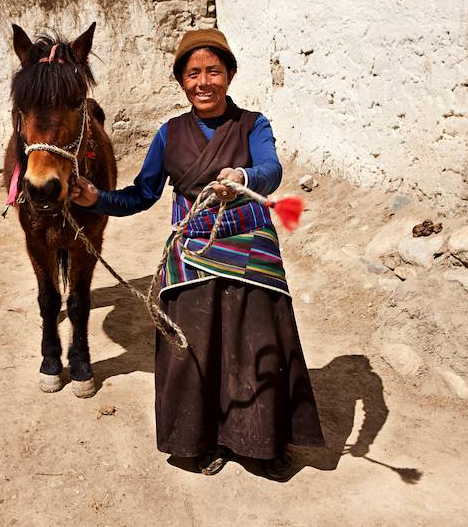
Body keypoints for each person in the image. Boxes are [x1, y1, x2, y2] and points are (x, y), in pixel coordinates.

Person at [69, 29, 324, 478]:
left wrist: (243, 175)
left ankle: (260, 442)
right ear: (181, 81)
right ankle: (201, 440)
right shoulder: (169, 135)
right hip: (192, 250)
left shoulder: (253, 124)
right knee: (194, 350)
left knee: (258, 347)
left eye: (213, 71)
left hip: (249, 248)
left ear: (229, 75)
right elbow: (141, 195)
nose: (203, 81)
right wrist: (98, 200)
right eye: (193, 73)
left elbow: (271, 169)